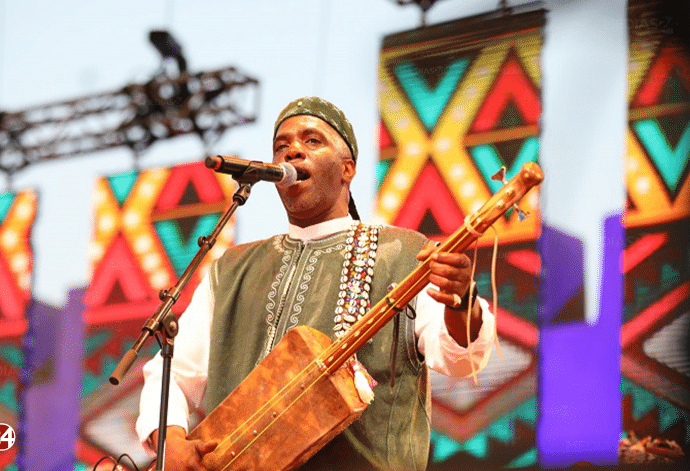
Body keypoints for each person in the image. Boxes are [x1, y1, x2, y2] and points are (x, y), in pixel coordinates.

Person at [136, 96, 496, 471]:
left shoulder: (404, 253)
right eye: (281, 146)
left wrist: (460, 302)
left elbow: (461, 358)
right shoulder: (231, 270)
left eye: (312, 141)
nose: (292, 151)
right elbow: (173, 373)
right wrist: (170, 438)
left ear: (347, 169)